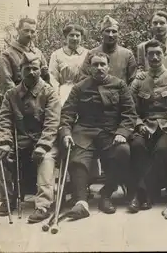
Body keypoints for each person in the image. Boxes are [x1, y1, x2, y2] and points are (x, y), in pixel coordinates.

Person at [59, 52, 137, 220]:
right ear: (89, 68)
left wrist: (122, 132)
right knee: (77, 157)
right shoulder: (79, 87)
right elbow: (67, 114)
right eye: (96, 65)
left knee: (123, 151)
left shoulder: (119, 85)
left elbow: (130, 114)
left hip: (111, 132)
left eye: (103, 64)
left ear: (108, 67)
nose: (99, 68)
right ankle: (81, 203)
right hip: (84, 131)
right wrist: (66, 132)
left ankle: (106, 195)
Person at [0, 53, 60, 223]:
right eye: (27, 69)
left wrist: (43, 145)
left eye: (35, 69)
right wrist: (4, 142)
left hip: (45, 141)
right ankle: (8, 198)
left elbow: (52, 123)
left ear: (40, 70)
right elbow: (4, 121)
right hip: (21, 140)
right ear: (20, 72)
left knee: (46, 158)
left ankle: (43, 205)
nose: (31, 72)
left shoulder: (49, 93)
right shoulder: (11, 94)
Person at [128, 40, 167, 213]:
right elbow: (130, 110)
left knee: (161, 150)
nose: (154, 57)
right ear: (145, 57)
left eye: (158, 53)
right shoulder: (138, 82)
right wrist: (138, 124)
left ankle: (143, 194)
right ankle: (145, 194)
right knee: (137, 146)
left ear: (164, 55)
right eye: (150, 54)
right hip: (145, 125)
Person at [0, 17, 51, 94]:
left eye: (32, 32)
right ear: (18, 30)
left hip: (39, 99)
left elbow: (45, 80)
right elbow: (7, 84)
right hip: (18, 100)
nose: (29, 35)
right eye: (26, 30)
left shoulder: (38, 53)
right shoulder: (7, 55)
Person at [79, 15, 137, 85]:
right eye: (107, 31)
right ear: (101, 33)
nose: (110, 35)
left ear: (119, 34)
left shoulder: (127, 55)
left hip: (120, 94)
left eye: (114, 31)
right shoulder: (92, 53)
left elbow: (133, 80)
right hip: (97, 94)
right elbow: (84, 78)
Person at [48, 24, 89, 105]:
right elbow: (53, 78)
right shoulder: (57, 54)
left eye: (77, 35)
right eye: (71, 35)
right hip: (63, 92)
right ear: (66, 36)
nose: (75, 38)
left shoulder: (88, 54)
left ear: (81, 37)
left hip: (84, 92)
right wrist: (57, 96)